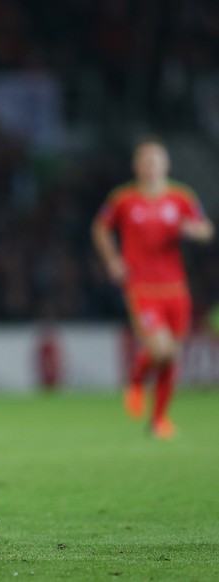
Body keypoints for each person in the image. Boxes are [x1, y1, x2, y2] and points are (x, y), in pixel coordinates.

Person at [92, 136, 214, 439]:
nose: (150, 166)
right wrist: (112, 261)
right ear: (136, 166)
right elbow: (100, 227)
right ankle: (135, 379)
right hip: (142, 287)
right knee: (161, 348)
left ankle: (159, 420)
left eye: (155, 160)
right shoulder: (124, 199)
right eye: (144, 160)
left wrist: (193, 230)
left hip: (176, 288)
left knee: (172, 355)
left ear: (165, 164)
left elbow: (206, 229)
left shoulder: (181, 197)